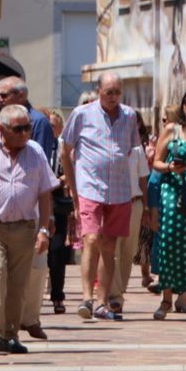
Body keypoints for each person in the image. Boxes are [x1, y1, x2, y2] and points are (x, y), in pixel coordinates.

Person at [60, 73, 141, 321]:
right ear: (98, 91)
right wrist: (73, 188)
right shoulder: (82, 114)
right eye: (108, 92)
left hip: (119, 190)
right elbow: (66, 150)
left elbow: (130, 148)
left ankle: (102, 302)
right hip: (90, 188)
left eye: (117, 92)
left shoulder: (129, 116)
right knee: (92, 239)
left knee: (109, 245)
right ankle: (86, 297)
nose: (113, 98)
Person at [0, 104, 56, 354]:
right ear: (2, 129)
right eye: (19, 129)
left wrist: (43, 230)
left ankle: (11, 334)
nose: (25, 133)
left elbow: (45, 193)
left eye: (28, 128)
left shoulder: (36, 153)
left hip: (25, 226)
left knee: (18, 282)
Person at [152, 90, 186, 320]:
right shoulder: (172, 130)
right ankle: (166, 298)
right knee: (168, 242)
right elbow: (156, 161)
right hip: (172, 190)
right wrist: (169, 168)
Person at [100, 117, 151, 318]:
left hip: (134, 203)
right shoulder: (107, 148)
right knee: (113, 250)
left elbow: (143, 180)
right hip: (113, 204)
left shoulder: (138, 151)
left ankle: (119, 292)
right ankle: (114, 296)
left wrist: (146, 207)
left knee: (129, 252)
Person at [46, 109, 74, 314]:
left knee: (57, 252)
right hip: (37, 203)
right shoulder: (34, 147)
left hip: (58, 203)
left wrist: (59, 181)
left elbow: (71, 173)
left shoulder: (63, 148)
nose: (50, 130)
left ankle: (57, 295)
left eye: (53, 126)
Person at [0, 76, 57, 164]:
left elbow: (41, 161)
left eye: (4, 96)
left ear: (20, 95)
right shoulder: (1, 118)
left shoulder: (39, 121)